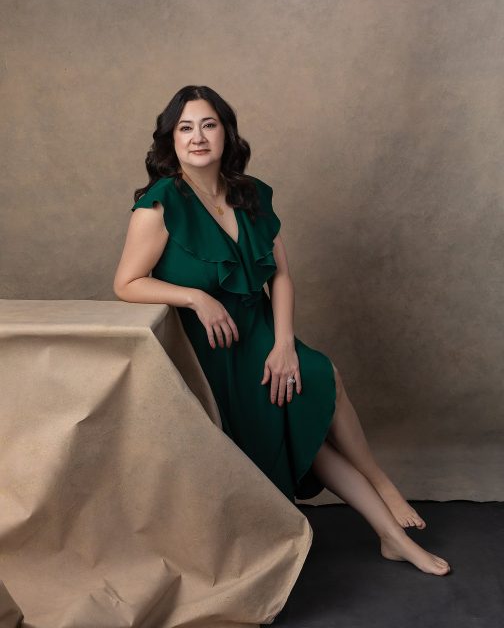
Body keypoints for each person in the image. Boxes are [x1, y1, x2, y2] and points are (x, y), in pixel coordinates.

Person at [113, 85, 451, 576]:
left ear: (226, 134)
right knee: (305, 418)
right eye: (185, 128)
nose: (198, 137)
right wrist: (195, 296)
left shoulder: (249, 194)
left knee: (313, 378)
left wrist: (285, 343)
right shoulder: (160, 205)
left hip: (262, 334)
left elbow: (282, 275)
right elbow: (126, 283)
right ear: (171, 140)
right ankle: (389, 521)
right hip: (211, 354)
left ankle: (390, 526)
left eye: (208, 125)